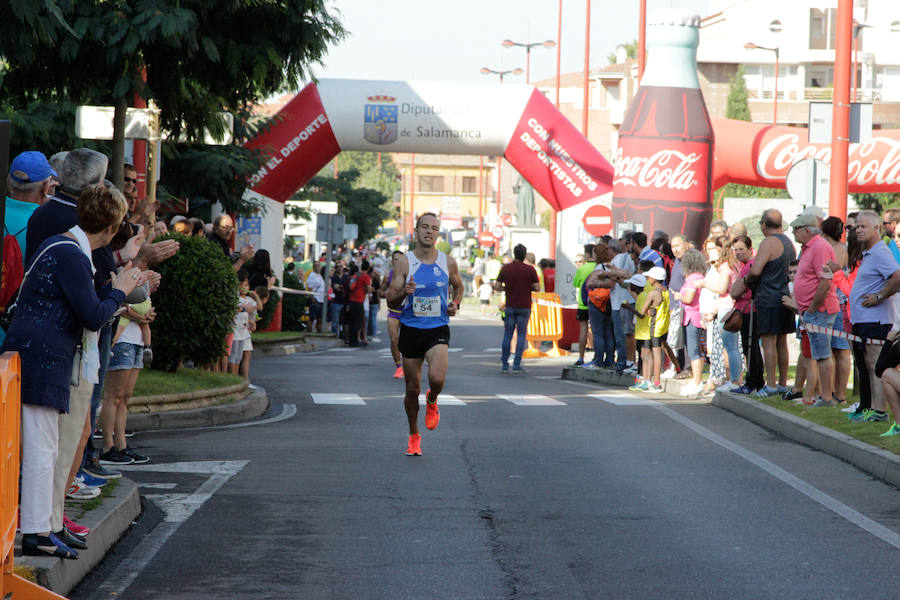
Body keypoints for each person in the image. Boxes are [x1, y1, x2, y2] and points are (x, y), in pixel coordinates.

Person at [7, 182, 145, 559]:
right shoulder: (71, 254)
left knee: (46, 449)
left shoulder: (66, 246)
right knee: (41, 449)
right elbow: (93, 314)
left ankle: (44, 527)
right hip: (43, 359)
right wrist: (121, 289)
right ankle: (36, 532)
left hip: (42, 357)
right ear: (113, 226)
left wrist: (117, 289)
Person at [386, 213, 464, 456]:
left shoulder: (447, 262)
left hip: (437, 328)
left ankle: (433, 399)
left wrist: (456, 303)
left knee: (438, 379)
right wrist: (404, 293)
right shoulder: (405, 263)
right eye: (425, 227)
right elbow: (390, 298)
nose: (429, 231)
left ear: (438, 234)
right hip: (411, 329)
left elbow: (458, 286)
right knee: (412, 389)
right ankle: (413, 435)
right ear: (416, 231)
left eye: (434, 228)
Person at [846, 210, 900, 423]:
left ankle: (879, 411)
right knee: (864, 365)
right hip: (862, 319)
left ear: (876, 228)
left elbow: (897, 277)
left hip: (876, 319)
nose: (858, 230)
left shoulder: (880, 252)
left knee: (873, 364)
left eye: (863, 226)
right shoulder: (869, 252)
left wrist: (879, 296)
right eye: (856, 226)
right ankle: (867, 407)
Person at [742, 209, 796, 397]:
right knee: (782, 342)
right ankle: (781, 384)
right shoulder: (789, 243)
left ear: (764, 225)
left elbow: (756, 270)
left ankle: (771, 384)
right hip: (785, 296)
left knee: (768, 342)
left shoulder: (768, 242)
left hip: (768, 297)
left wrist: (746, 280)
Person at [100, 296, 155, 466]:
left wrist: (147, 316)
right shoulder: (125, 275)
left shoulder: (142, 282)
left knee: (125, 397)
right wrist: (141, 316)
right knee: (114, 396)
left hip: (137, 341)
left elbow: (143, 309)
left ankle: (121, 445)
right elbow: (121, 307)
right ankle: (108, 447)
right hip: (122, 340)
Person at [495, 243, 540, 374]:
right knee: (521, 335)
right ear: (524, 255)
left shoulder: (506, 268)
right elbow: (537, 287)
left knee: (508, 335)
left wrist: (507, 288)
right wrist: (527, 288)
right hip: (525, 306)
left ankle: (504, 364)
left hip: (510, 306)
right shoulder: (530, 269)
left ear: (514, 254)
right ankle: (516, 364)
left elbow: (497, 286)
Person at [821, 216, 852, 403]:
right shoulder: (846, 249)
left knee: (834, 350)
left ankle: (834, 391)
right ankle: (840, 392)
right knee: (842, 350)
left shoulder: (827, 250)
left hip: (832, 300)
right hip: (844, 299)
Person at [625, 267, 669, 393]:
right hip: (663, 324)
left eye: (649, 277)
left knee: (654, 355)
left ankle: (655, 383)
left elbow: (642, 313)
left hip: (655, 326)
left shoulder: (652, 293)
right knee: (652, 354)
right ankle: (650, 381)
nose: (648, 279)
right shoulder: (665, 291)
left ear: (654, 279)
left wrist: (629, 307)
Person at [729, 236, 764, 394]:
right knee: (749, 347)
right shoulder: (745, 265)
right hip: (745, 309)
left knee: (750, 347)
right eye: (735, 250)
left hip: (749, 310)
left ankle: (753, 382)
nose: (738, 253)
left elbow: (737, 291)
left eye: (741, 249)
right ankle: (755, 380)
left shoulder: (751, 265)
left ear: (750, 249)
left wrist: (737, 288)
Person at [675, 249, 708, 396]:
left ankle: (697, 381)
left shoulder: (694, 278)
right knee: (694, 350)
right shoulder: (698, 276)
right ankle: (696, 380)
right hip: (691, 316)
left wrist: (678, 296)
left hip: (693, 317)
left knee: (694, 350)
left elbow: (688, 298)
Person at [584, 242, 620, 369]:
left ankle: (598, 360)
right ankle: (609, 359)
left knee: (598, 333)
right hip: (609, 302)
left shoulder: (599, 267)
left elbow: (591, 283)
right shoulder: (612, 266)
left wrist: (598, 284)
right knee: (608, 333)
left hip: (597, 302)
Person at [665, 234, 689, 379]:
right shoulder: (677, 262)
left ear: (686, 245)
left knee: (683, 341)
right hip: (674, 306)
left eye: (678, 245)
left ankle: (684, 367)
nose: (675, 249)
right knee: (675, 339)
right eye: (673, 246)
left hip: (684, 305)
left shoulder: (688, 261)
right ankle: (676, 367)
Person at [381, 251, 405, 378]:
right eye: (395, 259)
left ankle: (410, 364)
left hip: (408, 313)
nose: (397, 262)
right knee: (394, 340)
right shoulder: (388, 276)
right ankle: (399, 367)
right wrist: (385, 293)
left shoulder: (410, 275)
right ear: (392, 261)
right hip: (394, 312)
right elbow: (380, 292)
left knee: (408, 340)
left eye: (400, 259)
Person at [571, 248, 596, 367]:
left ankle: (581, 357)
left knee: (583, 329)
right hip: (598, 302)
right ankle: (598, 357)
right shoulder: (598, 267)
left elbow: (575, 283)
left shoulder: (582, 269)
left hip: (583, 304)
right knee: (598, 331)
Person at [306, 266, 325, 332]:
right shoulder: (311, 276)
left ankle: (319, 332)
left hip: (322, 300)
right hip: (315, 299)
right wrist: (312, 298)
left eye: (318, 265)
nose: (317, 267)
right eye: (316, 265)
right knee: (312, 317)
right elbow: (310, 287)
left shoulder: (321, 276)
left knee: (320, 318)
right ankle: (309, 332)